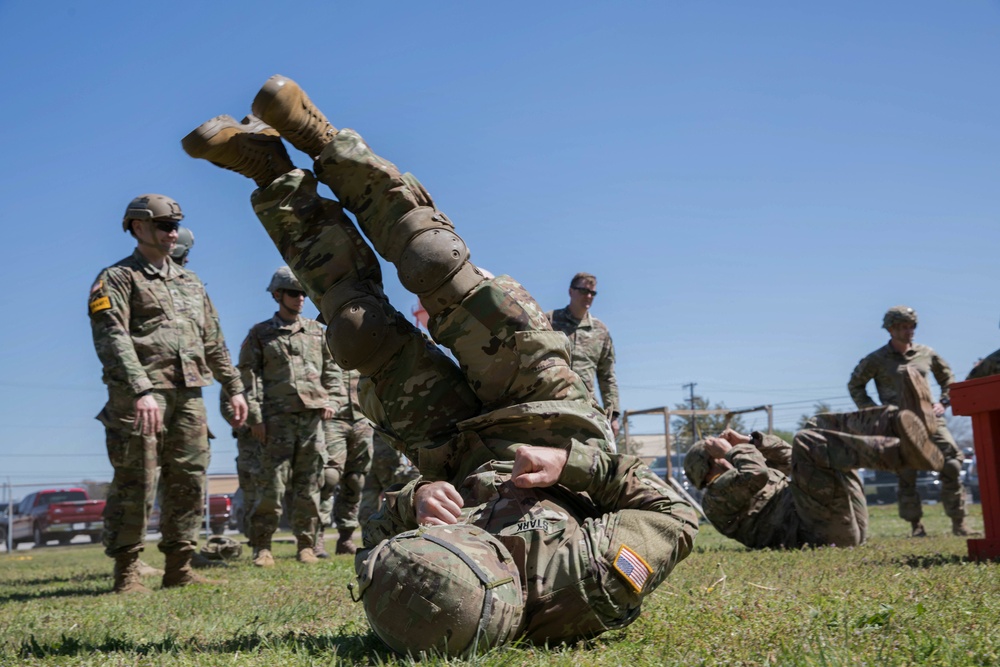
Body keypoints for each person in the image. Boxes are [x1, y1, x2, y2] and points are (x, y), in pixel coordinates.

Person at [182, 74, 697, 654]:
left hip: (452, 447)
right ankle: (323, 139)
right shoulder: (585, 581)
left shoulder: (403, 587)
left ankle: (271, 172)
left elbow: (377, 536)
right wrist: (569, 464)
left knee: (358, 331)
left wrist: (414, 502)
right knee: (436, 263)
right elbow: (674, 511)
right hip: (549, 416)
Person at [89, 194, 247, 593]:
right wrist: (140, 388)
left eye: (176, 224)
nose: (173, 232)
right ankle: (126, 570)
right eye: (164, 224)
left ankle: (179, 566)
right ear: (138, 227)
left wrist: (235, 387)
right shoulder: (117, 278)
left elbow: (213, 339)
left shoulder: (190, 282)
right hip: (143, 395)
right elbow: (113, 338)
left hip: (190, 392)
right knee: (136, 480)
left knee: (189, 478)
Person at [685, 368, 945, 550]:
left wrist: (751, 442)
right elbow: (756, 475)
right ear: (708, 468)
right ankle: (901, 452)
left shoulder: (742, 467)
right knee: (806, 439)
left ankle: (900, 423)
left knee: (814, 427)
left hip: (839, 521)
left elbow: (790, 458)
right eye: (716, 454)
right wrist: (730, 451)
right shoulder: (715, 499)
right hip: (818, 533)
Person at [238, 266, 336, 566]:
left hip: (311, 421)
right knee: (271, 487)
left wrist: (331, 399)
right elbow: (248, 376)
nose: (300, 298)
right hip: (275, 422)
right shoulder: (260, 334)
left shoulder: (317, 332)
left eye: (304, 293)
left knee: (310, 486)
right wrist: (255, 416)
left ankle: (306, 545)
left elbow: (332, 370)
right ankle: (262, 547)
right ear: (278, 295)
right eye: (294, 293)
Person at [848, 305, 975, 537]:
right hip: (898, 423)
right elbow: (855, 385)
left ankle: (959, 523)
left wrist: (943, 402)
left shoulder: (926, 353)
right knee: (906, 472)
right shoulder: (876, 359)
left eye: (912, 326)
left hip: (931, 420)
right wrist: (874, 411)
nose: (909, 331)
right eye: (903, 327)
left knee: (953, 462)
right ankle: (915, 526)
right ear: (890, 329)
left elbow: (948, 378)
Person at [546, 273, 621, 437]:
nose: (588, 296)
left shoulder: (600, 331)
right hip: (551, 406)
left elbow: (607, 375)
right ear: (570, 291)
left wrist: (613, 415)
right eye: (583, 291)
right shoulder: (549, 321)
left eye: (592, 293)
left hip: (586, 409)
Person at [318, 367, 374, 556]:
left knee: (355, 480)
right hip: (332, 417)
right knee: (328, 477)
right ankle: (317, 537)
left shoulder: (369, 339)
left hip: (362, 417)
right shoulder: (320, 340)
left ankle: (346, 538)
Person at [357, 432, 418, 531]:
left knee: (395, 504)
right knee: (367, 510)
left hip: (389, 463)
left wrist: (408, 452)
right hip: (368, 462)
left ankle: (397, 538)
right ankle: (370, 542)